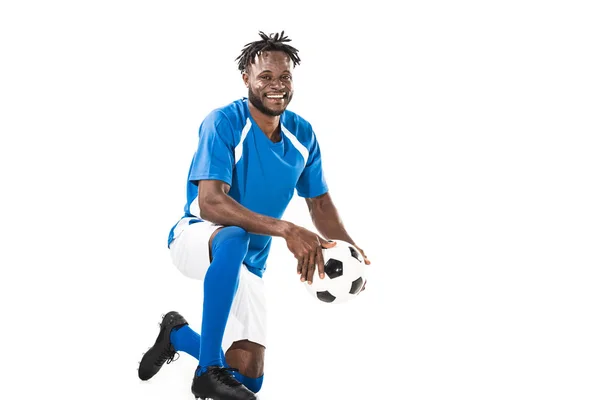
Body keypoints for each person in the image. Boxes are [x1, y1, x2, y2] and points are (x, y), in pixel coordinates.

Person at [137, 31, 371, 400]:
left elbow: (320, 204)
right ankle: (207, 370)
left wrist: (352, 250)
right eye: (265, 77)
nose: (276, 86)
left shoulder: (302, 134)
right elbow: (211, 202)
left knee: (248, 376)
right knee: (233, 236)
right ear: (246, 78)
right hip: (197, 237)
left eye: (284, 77)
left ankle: (176, 334)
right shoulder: (224, 122)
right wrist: (287, 230)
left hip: (249, 264)